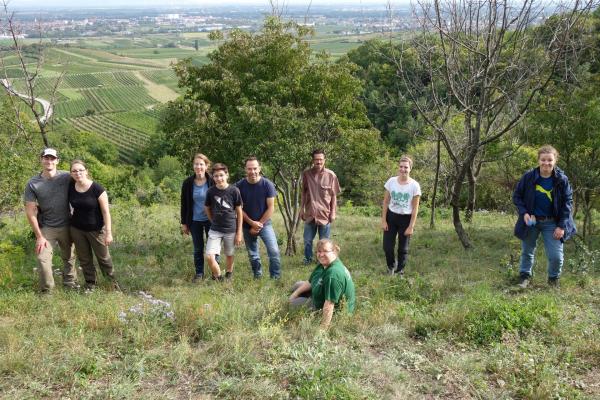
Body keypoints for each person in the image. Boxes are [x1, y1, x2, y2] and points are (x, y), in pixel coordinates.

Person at [513, 145, 576, 288]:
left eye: (549, 160)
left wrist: (561, 226)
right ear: (538, 160)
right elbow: (517, 196)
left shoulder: (561, 179)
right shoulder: (528, 177)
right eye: (543, 160)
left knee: (556, 256)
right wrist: (524, 213)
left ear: (555, 161)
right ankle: (524, 277)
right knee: (527, 251)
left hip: (553, 222)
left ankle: (553, 280)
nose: (546, 163)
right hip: (532, 221)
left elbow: (568, 202)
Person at [24, 148, 78, 293]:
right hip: (47, 227)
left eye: (52, 158)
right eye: (46, 158)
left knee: (69, 257)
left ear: (57, 161)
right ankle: (48, 290)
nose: (49, 161)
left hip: (68, 224)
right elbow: (30, 212)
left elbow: (84, 183)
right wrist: (39, 236)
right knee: (43, 258)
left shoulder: (67, 177)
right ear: (41, 159)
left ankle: (70, 283)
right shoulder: (32, 183)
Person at [68, 160, 118, 290]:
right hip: (77, 229)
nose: (78, 173)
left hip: (96, 230)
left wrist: (108, 233)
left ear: (86, 171)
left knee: (104, 258)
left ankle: (112, 284)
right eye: (74, 171)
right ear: (71, 174)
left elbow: (106, 212)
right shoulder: (71, 187)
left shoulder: (97, 189)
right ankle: (91, 284)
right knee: (84, 259)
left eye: (80, 170)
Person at [289, 239, 355, 329]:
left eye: (325, 251)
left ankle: (309, 302)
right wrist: (294, 294)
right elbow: (310, 282)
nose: (321, 254)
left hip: (332, 309)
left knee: (292, 304)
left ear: (334, 252)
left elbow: (329, 304)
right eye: (319, 251)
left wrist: (323, 329)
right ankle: (304, 297)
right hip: (322, 290)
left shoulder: (333, 275)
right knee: (297, 285)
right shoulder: (325, 263)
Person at [235, 157, 281, 279]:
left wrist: (258, 224)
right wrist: (251, 223)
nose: (252, 171)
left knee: (274, 251)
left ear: (259, 169)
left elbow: (271, 208)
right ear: (245, 170)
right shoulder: (239, 186)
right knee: (253, 254)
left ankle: (275, 277)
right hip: (246, 225)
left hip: (265, 224)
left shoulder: (268, 185)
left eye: (255, 168)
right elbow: (238, 209)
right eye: (249, 169)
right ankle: (258, 276)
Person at [381, 155, 421, 276]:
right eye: (401, 166)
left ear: (410, 169)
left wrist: (411, 226)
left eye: (406, 167)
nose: (403, 169)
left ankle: (400, 271)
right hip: (391, 217)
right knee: (387, 246)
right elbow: (386, 202)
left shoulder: (415, 186)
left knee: (403, 249)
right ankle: (391, 266)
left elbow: (415, 207)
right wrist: (383, 220)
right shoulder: (391, 181)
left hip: (406, 218)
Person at [299, 149, 341, 264]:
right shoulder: (306, 174)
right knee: (307, 240)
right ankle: (307, 259)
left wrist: (333, 212)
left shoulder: (331, 175)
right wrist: (301, 208)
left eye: (321, 159)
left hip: (324, 214)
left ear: (324, 160)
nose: (318, 162)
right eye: (316, 159)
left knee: (324, 242)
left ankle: (322, 261)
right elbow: (303, 192)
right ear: (313, 160)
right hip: (310, 213)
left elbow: (334, 196)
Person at [204, 163, 243, 281]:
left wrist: (239, 232)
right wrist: (212, 220)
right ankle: (219, 277)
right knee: (210, 256)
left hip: (230, 229)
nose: (219, 178)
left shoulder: (234, 190)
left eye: (221, 175)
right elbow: (207, 208)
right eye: (216, 176)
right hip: (215, 229)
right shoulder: (210, 191)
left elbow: (239, 212)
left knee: (229, 254)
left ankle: (229, 274)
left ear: (227, 175)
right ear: (213, 177)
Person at [181, 153, 215, 282]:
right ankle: (199, 273)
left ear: (206, 166)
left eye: (201, 164)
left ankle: (215, 273)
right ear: (193, 166)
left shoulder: (212, 181)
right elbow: (184, 204)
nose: (198, 167)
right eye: (196, 164)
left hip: (211, 220)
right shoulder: (188, 183)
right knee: (198, 248)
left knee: (213, 248)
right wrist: (184, 223)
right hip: (194, 221)